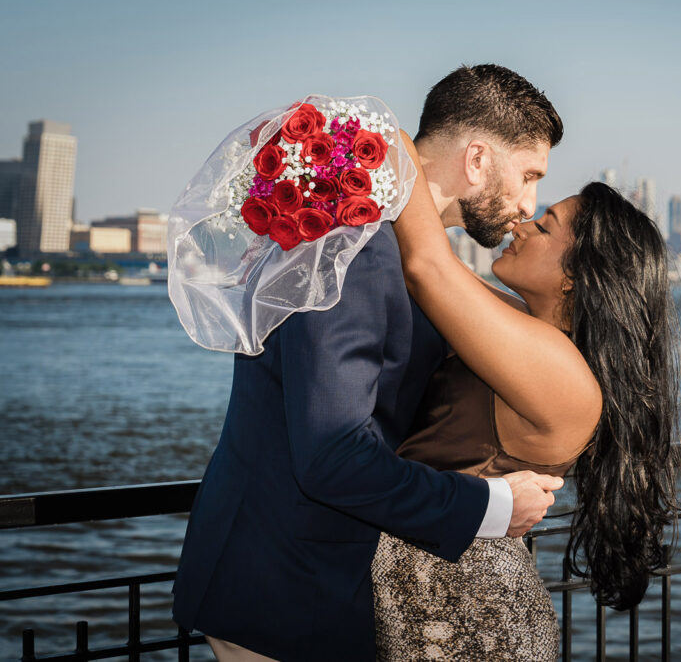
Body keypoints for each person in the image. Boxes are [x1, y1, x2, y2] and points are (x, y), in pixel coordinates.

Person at [171, 65, 566, 662]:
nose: (529, 202)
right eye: (529, 173)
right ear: (478, 159)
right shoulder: (359, 250)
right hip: (281, 590)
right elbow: (333, 454)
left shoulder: (402, 247)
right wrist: (492, 506)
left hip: (307, 579)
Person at [370, 125, 681, 659]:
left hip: (471, 614)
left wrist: (388, 135)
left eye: (546, 225)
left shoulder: (559, 370)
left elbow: (427, 266)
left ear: (577, 276)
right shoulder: (525, 331)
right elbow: (426, 266)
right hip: (439, 594)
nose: (522, 221)